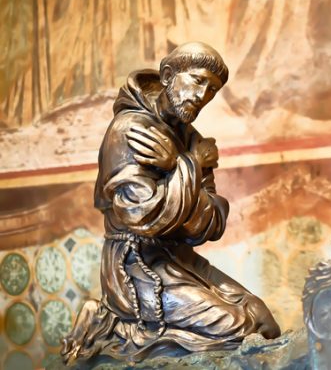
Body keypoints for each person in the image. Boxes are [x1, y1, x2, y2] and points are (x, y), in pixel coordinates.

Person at [61, 42, 280, 364]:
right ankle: (109, 323)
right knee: (240, 327)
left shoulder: (190, 136)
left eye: (213, 90)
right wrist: (189, 164)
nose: (202, 95)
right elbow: (144, 216)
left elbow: (210, 223)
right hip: (136, 264)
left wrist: (177, 166)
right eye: (197, 80)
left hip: (178, 257)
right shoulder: (130, 130)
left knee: (263, 320)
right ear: (168, 75)